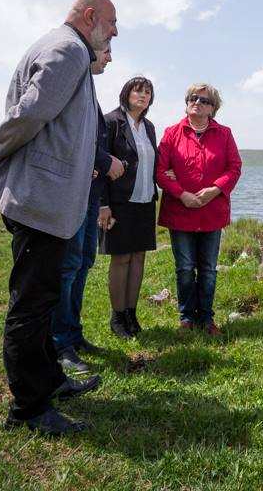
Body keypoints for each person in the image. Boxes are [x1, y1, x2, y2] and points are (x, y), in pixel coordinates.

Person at [0, 0, 117, 436]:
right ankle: (28, 408)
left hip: (48, 197)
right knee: (30, 305)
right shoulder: (68, 49)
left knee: (44, 298)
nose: (115, 32)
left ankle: (50, 380)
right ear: (91, 17)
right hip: (41, 197)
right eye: (112, 23)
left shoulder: (63, 46)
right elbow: (30, 113)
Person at [51, 44, 121, 374]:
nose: (109, 57)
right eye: (106, 50)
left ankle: (74, 335)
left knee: (82, 264)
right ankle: (59, 344)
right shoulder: (71, 82)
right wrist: (105, 162)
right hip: (74, 195)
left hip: (90, 194)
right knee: (68, 268)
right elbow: (69, 137)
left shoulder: (89, 89)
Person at [154, 84, 242, 336]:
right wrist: (182, 194)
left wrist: (215, 189)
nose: (197, 102)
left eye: (204, 100)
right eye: (193, 98)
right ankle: (186, 318)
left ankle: (206, 318)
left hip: (211, 212)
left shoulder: (224, 134)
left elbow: (234, 167)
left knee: (208, 269)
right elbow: (160, 171)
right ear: (186, 103)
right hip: (180, 211)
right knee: (184, 268)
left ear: (213, 108)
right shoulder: (172, 133)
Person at [100, 76, 159, 339]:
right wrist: (103, 204)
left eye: (148, 92)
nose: (143, 96)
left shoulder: (149, 127)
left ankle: (131, 315)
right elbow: (100, 165)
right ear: (126, 93)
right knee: (121, 258)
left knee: (138, 258)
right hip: (118, 203)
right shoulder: (111, 122)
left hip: (145, 201)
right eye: (138, 91)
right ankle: (117, 316)